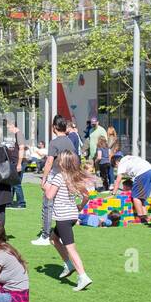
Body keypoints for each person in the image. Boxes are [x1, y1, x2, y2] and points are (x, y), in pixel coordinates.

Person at [46, 150, 93, 290]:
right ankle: (68, 264)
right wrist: (80, 206)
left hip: (63, 217)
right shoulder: (74, 177)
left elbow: (49, 196)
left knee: (71, 248)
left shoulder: (59, 177)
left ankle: (83, 276)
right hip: (72, 215)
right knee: (53, 238)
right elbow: (87, 195)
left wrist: (46, 185)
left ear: (61, 162)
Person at [32, 117, 78, 246]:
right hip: (68, 177)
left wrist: (44, 179)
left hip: (56, 177)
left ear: (54, 127)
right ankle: (62, 235)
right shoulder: (70, 141)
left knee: (48, 204)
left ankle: (45, 235)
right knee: (64, 204)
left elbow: (49, 162)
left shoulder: (54, 143)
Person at [110, 151, 151, 222]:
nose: (117, 168)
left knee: (135, 197)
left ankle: (140, 217)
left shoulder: (121, 163)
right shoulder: (128, 158)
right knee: (141, 197)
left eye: (116, 167)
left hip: (142, 173)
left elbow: (118, 179)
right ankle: (145, 217)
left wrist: (113, 194)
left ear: (116, 162)